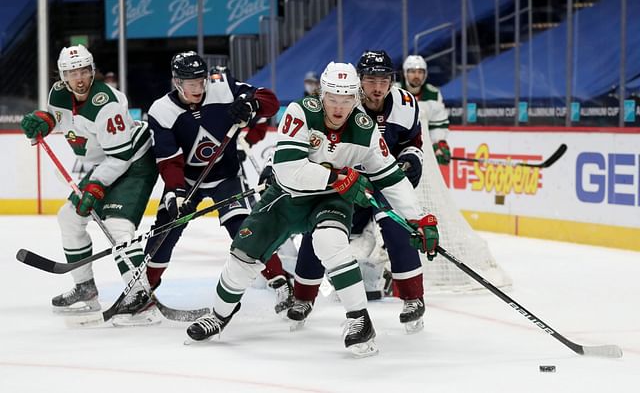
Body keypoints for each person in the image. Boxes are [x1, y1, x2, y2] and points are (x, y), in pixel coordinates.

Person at [185, 61, 439, 357]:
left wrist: (418, 219)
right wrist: (338, 178)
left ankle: (360, 320)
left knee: (329, 241)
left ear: (356, 97)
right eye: (333, 98)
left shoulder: (365, 128)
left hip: (330, 199)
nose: (338, 107)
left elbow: (391, 176)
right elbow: (291, 170)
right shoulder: (300, 112)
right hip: (286, 197)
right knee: (244, 251)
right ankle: (218, 315)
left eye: (346, 99)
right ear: (322, 94)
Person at [288, 50, 432, 334]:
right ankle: (303, 296)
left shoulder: (405, 103)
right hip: (346, 181)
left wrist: (412, 159)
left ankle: (413, 298)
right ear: (358, 80)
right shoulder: (341, 104)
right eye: (370, 80)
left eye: (384, 80)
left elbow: (412, 142)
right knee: (321, 229)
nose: (377, 88)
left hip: (384, 180)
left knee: (398, 227)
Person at [143, 52, 293, 314]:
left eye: (201, 82)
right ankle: (144, 288)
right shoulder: (161, 111)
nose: (198, 88)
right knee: (164, 232)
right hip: (187, 181)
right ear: (177, 82)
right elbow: (169, 160)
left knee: (246, 231)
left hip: (227, 177)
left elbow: (270, 101)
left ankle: (280, 282)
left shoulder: (222, 85)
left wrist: (252, 105)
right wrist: (176, 193)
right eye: (191, 84)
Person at [19, 44, 158, 324]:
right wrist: (45, 123)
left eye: (83, 71)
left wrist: (95, 187)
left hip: (134, 162)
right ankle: (86, 288)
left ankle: (140, 295)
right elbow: (60, 120)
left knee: (118, 227)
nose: (79, 78)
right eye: (72, 73)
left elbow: (121, 157)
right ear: (62, 76)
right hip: (104, 162)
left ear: (92, 71)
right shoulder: (59, 93)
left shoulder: (107, 104)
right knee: (69, 218)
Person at [402, 55, 451, 165]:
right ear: (405, 73)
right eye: (412, 71)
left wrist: (438, 144)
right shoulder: (395, 90)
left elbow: (437, 124)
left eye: (420, 72)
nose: (416, 75)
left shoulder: (433, 94)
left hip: (424, 151)